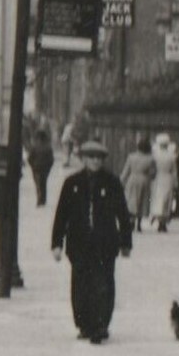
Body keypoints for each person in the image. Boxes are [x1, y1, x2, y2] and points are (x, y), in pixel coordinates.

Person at [51, 140, 133, 344]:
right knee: (81, 285)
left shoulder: (112, 182)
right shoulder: (72, 183)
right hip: (79, 244)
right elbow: (62, 214)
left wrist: (126, 242)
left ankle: (101, 324)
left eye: (99, 158)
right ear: (83, 159)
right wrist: (56, 243)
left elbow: (122, 213)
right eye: (91, 157)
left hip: (105, 244)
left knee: (104, 284)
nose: (95, 161)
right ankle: (84, 324)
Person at [119, 137, 156, 232]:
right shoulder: (150, 158)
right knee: (142, 201)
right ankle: (139, 224)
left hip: (132, 179)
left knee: (132, 201)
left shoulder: (131, 156)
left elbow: (126, 171)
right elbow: (153, 173)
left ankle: (131, 221)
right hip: (144, 180)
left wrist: (121, 181)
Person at [149, 133, 179, 233]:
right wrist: (176, 182)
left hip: (158, 178)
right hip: (168, 178)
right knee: (167, 200)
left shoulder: (155, 156)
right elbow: (174, 171)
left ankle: (157, 219)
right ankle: (163, 223)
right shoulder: (172, 156)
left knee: (158, 199)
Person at [27, 125, 56, 207]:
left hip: (36, 168)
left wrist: (32, 166)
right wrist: (48, 168)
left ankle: (39, 200)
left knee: (38, 184)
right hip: (45, 169)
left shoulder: (34, 146)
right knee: (43, 184)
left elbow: (29, 158)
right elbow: (51, 160)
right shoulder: (48, 147)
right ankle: (43, 199)